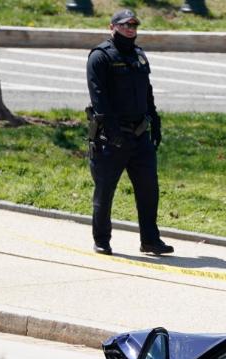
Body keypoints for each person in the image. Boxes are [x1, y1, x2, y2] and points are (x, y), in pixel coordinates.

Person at [86, 8, 173, 256]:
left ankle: (150, 240)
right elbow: (99, 99)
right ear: (111, 27)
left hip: (140, 136)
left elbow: (147, 93)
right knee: (105, 190)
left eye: (133, 26)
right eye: (124, 26)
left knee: (149, 189)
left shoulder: (139, 55)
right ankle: (102, 239)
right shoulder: (100, 57)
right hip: (111, 138)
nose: (130, 30)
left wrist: (155, 122)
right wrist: (113, 134)